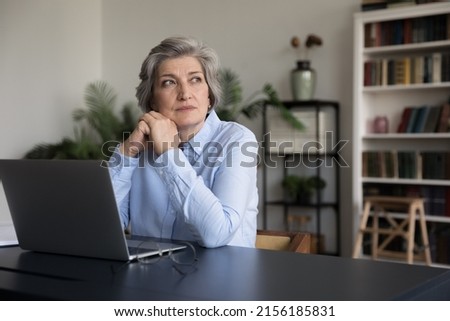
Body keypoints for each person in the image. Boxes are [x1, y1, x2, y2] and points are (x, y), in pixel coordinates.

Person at [108, 36, 258, 248]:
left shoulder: (237, 140)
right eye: (169, 82)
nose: (185, 94)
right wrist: (127, 152)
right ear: (152, 100)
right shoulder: (141, 149)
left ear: (209, 95)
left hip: (221, 278)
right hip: (151, 277)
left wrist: (169, 154)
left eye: (195, 79)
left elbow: (217, 233)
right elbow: (104, 226)